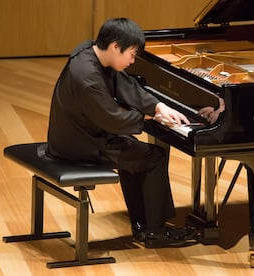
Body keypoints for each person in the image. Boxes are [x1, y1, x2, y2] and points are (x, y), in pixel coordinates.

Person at [47, 18, 192, 248]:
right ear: (115, 46)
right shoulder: (88, 79)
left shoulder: (90, 52)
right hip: (79, 145)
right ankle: (156, 232)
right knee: (154, 157)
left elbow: (121, 82)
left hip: (76, 134)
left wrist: (156, 105)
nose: (133, 61)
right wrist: (151, 117)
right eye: (132, 55)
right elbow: (113, 119)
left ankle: (141, 226)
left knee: (135, 153)